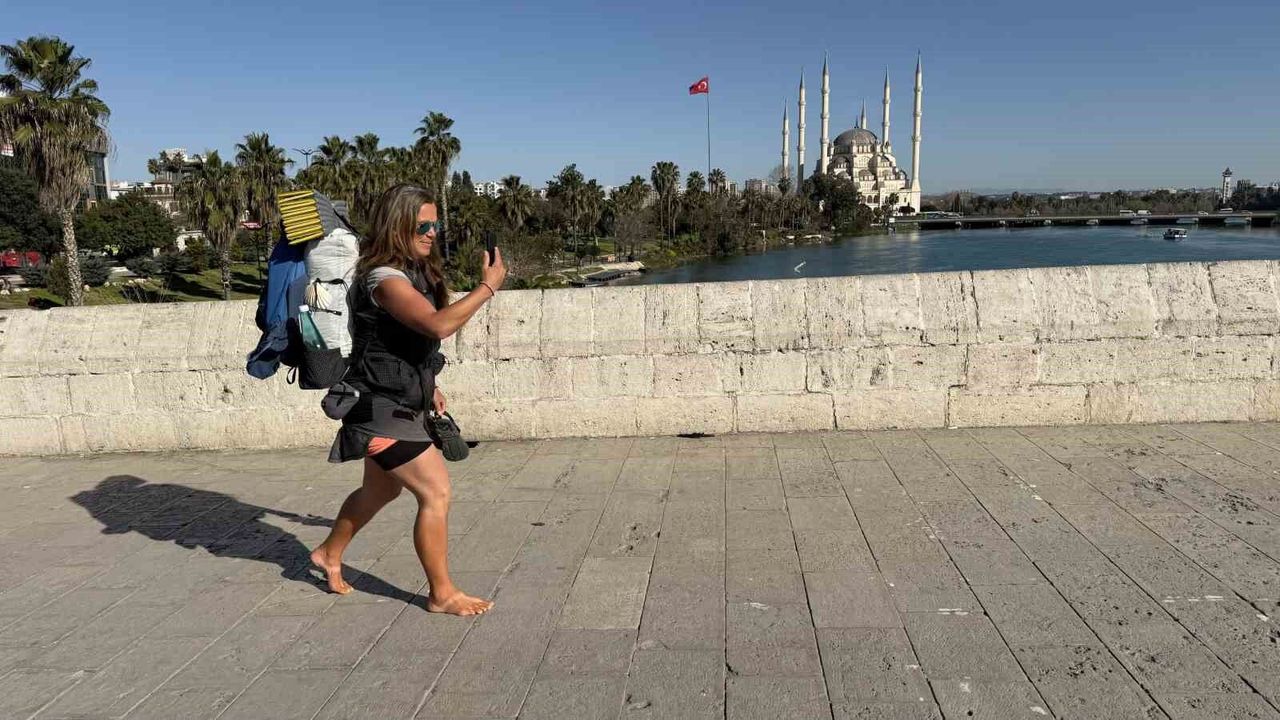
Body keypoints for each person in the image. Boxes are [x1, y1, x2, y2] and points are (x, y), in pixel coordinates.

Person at [310, 184, 506, 616]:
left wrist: (428, 384)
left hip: (400, 402)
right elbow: (437, 326)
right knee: (436, 492)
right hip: (378, 410)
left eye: (436, 224)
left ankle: (327, 553)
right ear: (397, 225)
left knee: (378, 491)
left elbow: (402, 343)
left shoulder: (412, 273)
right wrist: (487, 287)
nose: (433, 232)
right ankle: (442, 594)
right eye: (423, 226)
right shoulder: (383, 279)